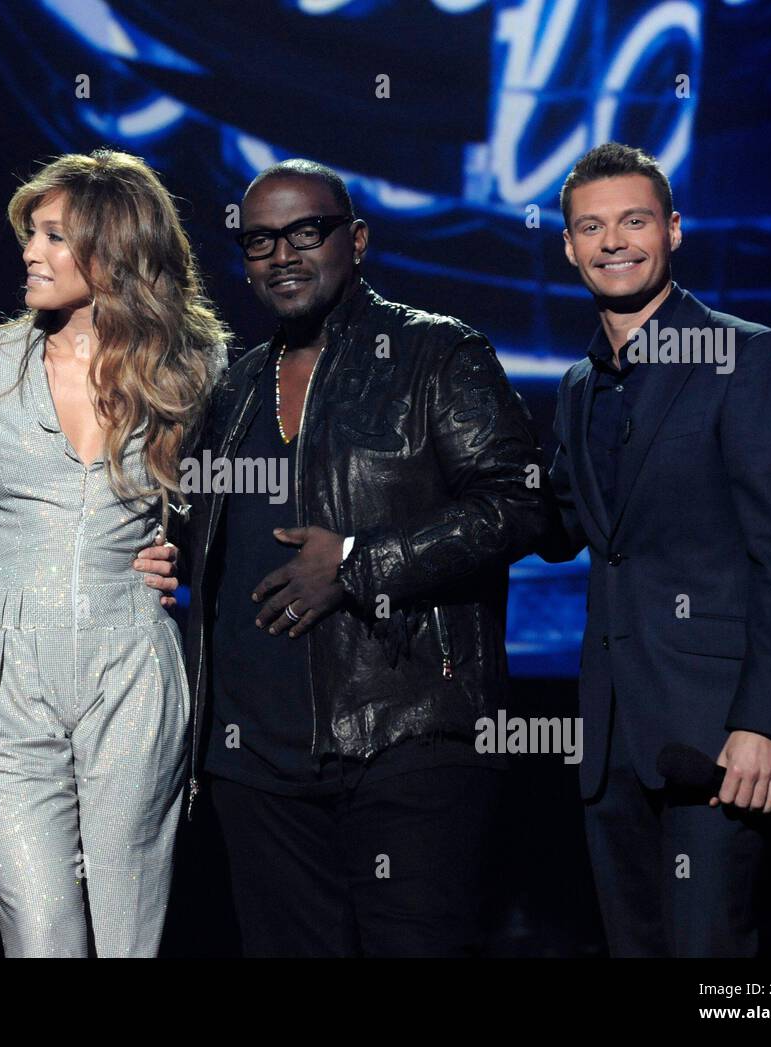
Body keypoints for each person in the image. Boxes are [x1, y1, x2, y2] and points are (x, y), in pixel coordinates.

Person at [178, 159, 548, 956]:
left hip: (404, 736)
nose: (282, 255)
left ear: (358, 239)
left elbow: (519, 503)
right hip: (256, 763)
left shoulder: (435, 354)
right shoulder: (235, 388)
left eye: (306, 232)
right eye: (259, 241)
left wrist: (356, 562)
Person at [540, 142, 771, 956]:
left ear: (673, 228)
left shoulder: (749, 357)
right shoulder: (576, 386)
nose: (613, 242)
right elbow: (562, 527)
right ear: (568, 246)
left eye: (633, 220)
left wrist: (765, 723)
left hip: (718, 736)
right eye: (590, 227)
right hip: (612, 741)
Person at [0, 149, 224, 957]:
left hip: (130, 664)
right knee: (41, 931)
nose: (30, 251)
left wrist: (183, 553)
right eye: (31, 233)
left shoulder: (190, 368)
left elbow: (223, 507)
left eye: (54, 235)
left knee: (131, 931)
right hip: (1, 675)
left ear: (114, 251)